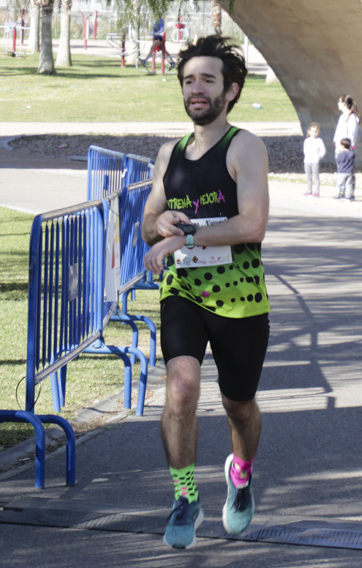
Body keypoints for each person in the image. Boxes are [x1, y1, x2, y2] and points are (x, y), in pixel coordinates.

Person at [141, 35, 270, 550]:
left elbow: (253, 224)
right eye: (189, 80)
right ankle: (185, 495)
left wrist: (184, 236)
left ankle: (240, 475)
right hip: (185, 293)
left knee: (239, 406)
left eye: (208, 80)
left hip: (240, 298)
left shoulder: (244, 146)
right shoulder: (168, 154)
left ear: (230, 91)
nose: (197, 89)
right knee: (181, 388)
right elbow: (148, 222)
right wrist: (160, 224)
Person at [302, 123, 326, 197]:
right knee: (308, 176)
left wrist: (319, 157)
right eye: (312, 131)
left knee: (316, 176)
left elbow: (323, 150)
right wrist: (307, 156)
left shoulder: (319, 141)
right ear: (309, 131)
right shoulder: (307, 141)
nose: (314, 133)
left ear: (318, 132)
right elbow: (305, 150)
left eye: (315, 131)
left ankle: (317, 191)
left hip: (315, 161)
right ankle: (309, 190)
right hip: (307, 161)